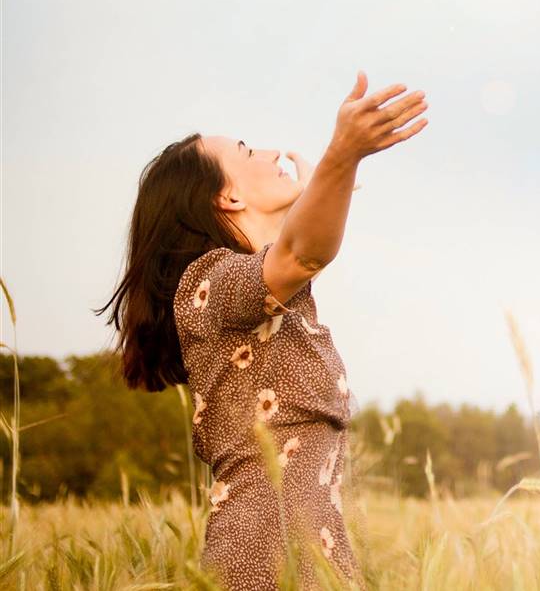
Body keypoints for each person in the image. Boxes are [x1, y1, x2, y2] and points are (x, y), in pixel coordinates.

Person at [98, 72, 428, 589]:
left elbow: (296, 250)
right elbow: (303, 253)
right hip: (262, 557)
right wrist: (342, 157)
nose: (273, 152)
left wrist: (329, 183)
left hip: (310, 555)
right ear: (227, 197)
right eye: (248, 151)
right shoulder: (206, 285)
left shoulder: (271, 296)